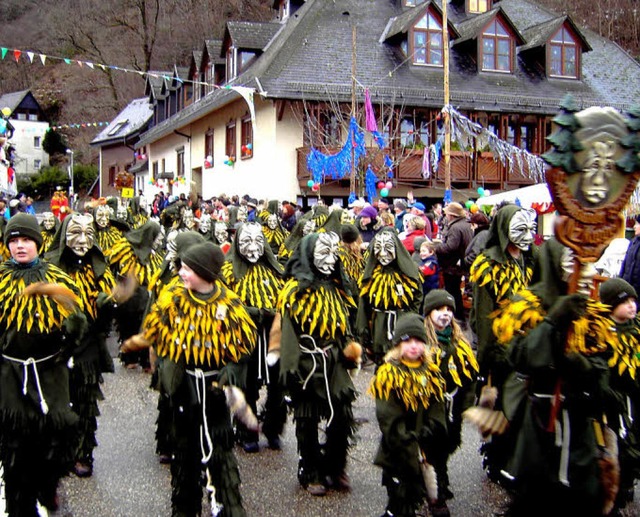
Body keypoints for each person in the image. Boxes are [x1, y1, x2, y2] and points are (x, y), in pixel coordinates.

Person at [124, 241, 257, 517]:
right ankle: (185, 509)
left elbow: (245, 346)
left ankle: (228, 507)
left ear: (206, 273)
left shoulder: (229, 304)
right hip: (184, 389)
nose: (181, 273)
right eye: (181, 267)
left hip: (215, 393)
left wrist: (232, 369)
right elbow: (155, 331)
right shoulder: (173, 300)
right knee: (184, 454)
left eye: (187, 269)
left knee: (220, 452)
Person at [491, 237, 613, 516]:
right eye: (573, 263)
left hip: (580, 425)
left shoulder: (593, 313)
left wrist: (578, 364)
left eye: (586, 264)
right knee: (539, 497)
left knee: (581, 495)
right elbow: (519, 357)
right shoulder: (526, 306)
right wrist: (551, 323)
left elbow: (602, 372)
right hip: (539, 422)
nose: (584, 272)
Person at [0, 213, 88, 514]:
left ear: (38, 243)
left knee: (55, 444)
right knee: (15, 447)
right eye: (14, 240)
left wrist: (71, 331)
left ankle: (48, 488)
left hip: (50, 374)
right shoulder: (0, 279)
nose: (20, 246)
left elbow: (78, 323)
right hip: (11, 376)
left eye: (26, 240)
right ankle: (20, 505)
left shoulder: (56, 277)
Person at [269, 231, 361, 496]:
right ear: (309, 255)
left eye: (334, 252)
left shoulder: (338, 286)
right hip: (307, 363)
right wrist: (291, 368)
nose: (331, 259)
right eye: (324, 252)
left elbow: (346, 323)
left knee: (342, 415)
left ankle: (335, 466)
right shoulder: (294, 291)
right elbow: (287, 331)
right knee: (307, 419)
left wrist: (350, 349)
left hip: (335, 361)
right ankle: (310, 470)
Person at [45, 212, 120, 478]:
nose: (82, 240)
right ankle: (57, 452)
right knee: (57, 403)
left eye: (89, 233)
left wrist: (106, 306)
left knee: (85, 402)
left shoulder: (99, 268)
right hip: (56, 349)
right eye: (76, 233)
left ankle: (82, 453)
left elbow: (112, 308)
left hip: (88, 346)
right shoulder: (51, 266)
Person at [468, 203, 537, 483]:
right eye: (521, 229)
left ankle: (514, 460)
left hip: (524, 349)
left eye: (531, 229)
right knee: (501, 408)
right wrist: (488, 356)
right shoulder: (488, 264)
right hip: (500, 350)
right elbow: (483, 317)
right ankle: (497, 461)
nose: (528, 235)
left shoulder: (527, 261)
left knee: (521, 408)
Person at [369, 312, 447, 517]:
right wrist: (409, 442)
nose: (413, 346)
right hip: (398, 450)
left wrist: (430, 434)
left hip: (423, 447)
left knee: (412, 499)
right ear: (398, 345)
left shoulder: (431, 372)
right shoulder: (389, 373)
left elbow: (437, 410)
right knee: (398, 500)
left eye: (418, 340)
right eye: (407, 341)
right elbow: (388, 418)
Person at [221, 222, 288, 453]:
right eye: (246, 242)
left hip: (272, 337)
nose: (252, 247)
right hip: (244, 338)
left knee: (278, 386)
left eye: (257, 242)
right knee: (246, 385)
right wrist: (256, 313)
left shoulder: (273, 269)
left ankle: (273, 428)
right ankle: (245, 432)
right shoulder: (228, 271)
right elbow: (225, 305)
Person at [423, 290, 479, 507]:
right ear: (429, 313)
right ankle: (436, 491)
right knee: (431, 445)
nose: (444, 314)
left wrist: (466, 405)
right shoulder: (422, 342)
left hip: (452, 405)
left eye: (448, 310)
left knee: (448, 443)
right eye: (439, 309)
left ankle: (440, 476)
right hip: (429, 406)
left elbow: (469, 377)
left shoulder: (459, 343)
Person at [599, 278, 640, 512]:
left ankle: (628, 480)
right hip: (614, 398)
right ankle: (616, 486)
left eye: (634, 300)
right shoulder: (603, 332)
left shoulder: (636, 330)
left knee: (634, 439)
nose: (632, 306)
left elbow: (637, 358)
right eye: (626, 302)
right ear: (612, 305)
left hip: (633, 394)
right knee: (619, 443)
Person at [356, 227, 423, 366]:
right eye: (378, 249)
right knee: (382, 362)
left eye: (388, 248)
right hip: (378, 326)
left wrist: (409, 318)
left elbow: (417, 296)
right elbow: (364, 307)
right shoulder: (371, 275)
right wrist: (363, 333)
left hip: (401, 323)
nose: (383, 254)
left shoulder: (408, 272)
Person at [435, 202, 473, 325]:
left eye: (447, 213)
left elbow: (451, 246)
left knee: (453, 292)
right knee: (456, 291)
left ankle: (457, 319)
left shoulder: (455, 227)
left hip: (453, 266)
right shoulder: (465, 224)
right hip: (460, 263)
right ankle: (459, 317)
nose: (445, 215)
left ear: (451, 215)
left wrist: (436, 247)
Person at [620, 215, 640, 293]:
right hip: (627, 288)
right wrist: (620, 281)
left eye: (637, 224)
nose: (634, 227)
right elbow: (624, 264)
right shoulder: (633, 242)